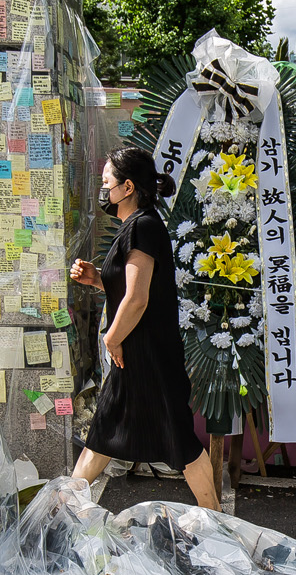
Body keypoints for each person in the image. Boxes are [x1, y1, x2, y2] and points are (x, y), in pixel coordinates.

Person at [68, 148, 219, 510]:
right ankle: (63, 512)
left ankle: (217, 518)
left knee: (178, 440)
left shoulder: (144, 227)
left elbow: (137, 299)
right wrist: (97, 279)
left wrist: (111, 338)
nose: (103, 190)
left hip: (146, 355)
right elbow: (130, 287)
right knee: (104, 434)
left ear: (128, 186)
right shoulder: (136, 226)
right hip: (137, 357)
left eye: (107, 183)